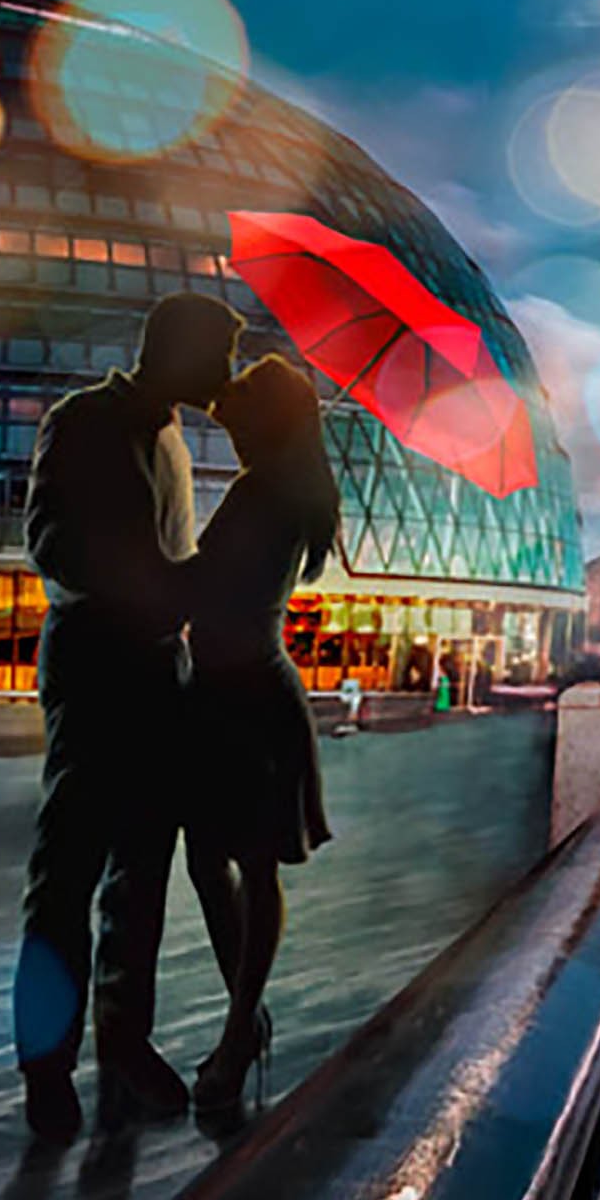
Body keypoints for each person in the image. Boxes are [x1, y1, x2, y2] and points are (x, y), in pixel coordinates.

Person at [14, 292, 243, 1144]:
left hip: (156, 676)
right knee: (66, 876)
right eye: (219, 355)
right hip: (96, 672)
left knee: (138, 878)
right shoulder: (83, 422)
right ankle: (45, 1066)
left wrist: (185, 589)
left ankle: (123, 1044)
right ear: (178, 352)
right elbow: (50, 542)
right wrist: (152, 585)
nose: (226, 374)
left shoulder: (177, 441)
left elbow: (170, 560)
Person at [181, 355, 338, 1111]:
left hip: (240, 700)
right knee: (225, 862)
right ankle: (243, 1018)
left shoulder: (261, 493)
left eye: (237, 420)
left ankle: (241, 1027)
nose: (230, 432)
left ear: (265, 423)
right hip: (238, 695)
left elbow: (201, 589)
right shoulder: (282, 490)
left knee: (231, 861)